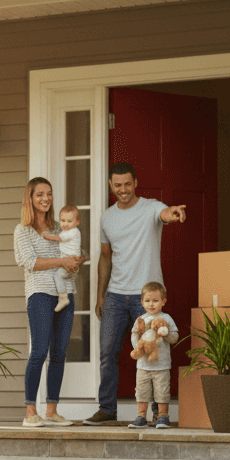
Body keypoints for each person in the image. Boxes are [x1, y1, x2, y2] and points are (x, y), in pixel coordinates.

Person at [85, 162, 187, 426]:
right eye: (117, 185)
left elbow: (164, 213)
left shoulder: (150, 207)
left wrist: (172, 212)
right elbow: (104, 257)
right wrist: (100, 296)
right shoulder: (106, 217)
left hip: (147, 299)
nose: (123, 190)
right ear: (111, 185)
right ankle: (107, 408)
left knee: (153, 350)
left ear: (135, 183)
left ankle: (157, 413)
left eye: (127, 184)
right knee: (107, 354)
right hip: (116, 296)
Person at [13, 178, 83, 429]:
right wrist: (62, 262)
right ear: (30, 198)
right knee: (40, 350)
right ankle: (31, 411)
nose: (45, 198)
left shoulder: (59, 226)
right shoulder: (23, 230)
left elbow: (71, 253)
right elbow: (30, 262)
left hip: (65, 293)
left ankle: (51, 410)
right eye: (39, 194)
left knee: (60, 352)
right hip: (40, 294)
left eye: (49, 194)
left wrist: (76, 260)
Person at [128, 282, 179, 429]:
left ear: (163, 301)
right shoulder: (141, 320)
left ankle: (162, 416)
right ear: (142, 302)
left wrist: (166, 334)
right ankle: (141, 416)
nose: (151, 304)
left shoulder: (166, 318)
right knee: (142, 390)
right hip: (143, 365)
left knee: (162, 390)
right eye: (148, 301)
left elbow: (174, 337)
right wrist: (139, 349)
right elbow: (134, 336)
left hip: (161, 364)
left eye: (155, 301)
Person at [40, 204, 82, 313]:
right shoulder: (67, 231)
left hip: (71, 261)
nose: (65, 224)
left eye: (69, 221)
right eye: (62, 221)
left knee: (57, 276)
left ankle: (63, 298)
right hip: (69, 261)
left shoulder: (73, 232)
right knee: (59, 276)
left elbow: (58, 238)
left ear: (77, 222)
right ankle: (63, 297)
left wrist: (46, 236)